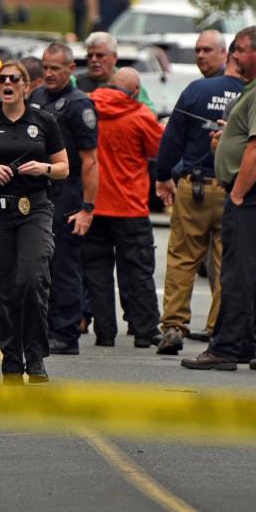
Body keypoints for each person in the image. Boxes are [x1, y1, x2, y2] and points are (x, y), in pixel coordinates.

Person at [182, 25, 256, 372]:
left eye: (240, 50)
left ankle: (228, 347)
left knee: (236, 274)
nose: (234, 56)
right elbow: (254, 140)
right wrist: (229, 139)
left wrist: (237, 193)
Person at [0, 60, 69, 383]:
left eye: (14, 79)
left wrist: (43, 168)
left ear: (26, 85)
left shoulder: (44, 121)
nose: (7, 83)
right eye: (1, 79)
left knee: (33, 278)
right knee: (4, 288)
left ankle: (35, 357)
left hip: (34, 208)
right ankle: (10, 359)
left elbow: (63, 167)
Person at [154, 30, 243, 355]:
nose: (200, 56)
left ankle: (174, 325)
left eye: (207, 50)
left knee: (182, 258)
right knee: (225, 263)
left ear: (225, 53)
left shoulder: (196, 91)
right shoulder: (250, 92)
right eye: (197, 50)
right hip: (233, 190)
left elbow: (172, 138)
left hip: (195, 189)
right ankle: (218, 327)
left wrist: (162, 175)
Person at [83, 68, 164, 348]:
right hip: (130, 206)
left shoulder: (87, 109)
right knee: (138, 270)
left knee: (97, 270)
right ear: (136, 90)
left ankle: (104, 332)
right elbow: (157, 150)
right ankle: (145, 330)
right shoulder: (141, 115)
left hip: (94, 204)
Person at [31, 41, 99, 355]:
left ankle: (66, 333)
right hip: (38, 192)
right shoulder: (37, 97)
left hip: (68, 194)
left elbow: (90, 160)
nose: (49, 74)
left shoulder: (79, 105)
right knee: (38, 265)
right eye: (45, 68)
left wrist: (87, 208)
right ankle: (41, 326)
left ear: (71, 69)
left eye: (55, 68)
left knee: (64, 267)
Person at [77, 31, 156, 113]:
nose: (94, 60)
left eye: (100, 55)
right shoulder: (75, 82)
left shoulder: (128, 81)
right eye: (90, 56)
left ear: (114, 57)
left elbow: (150, 114)